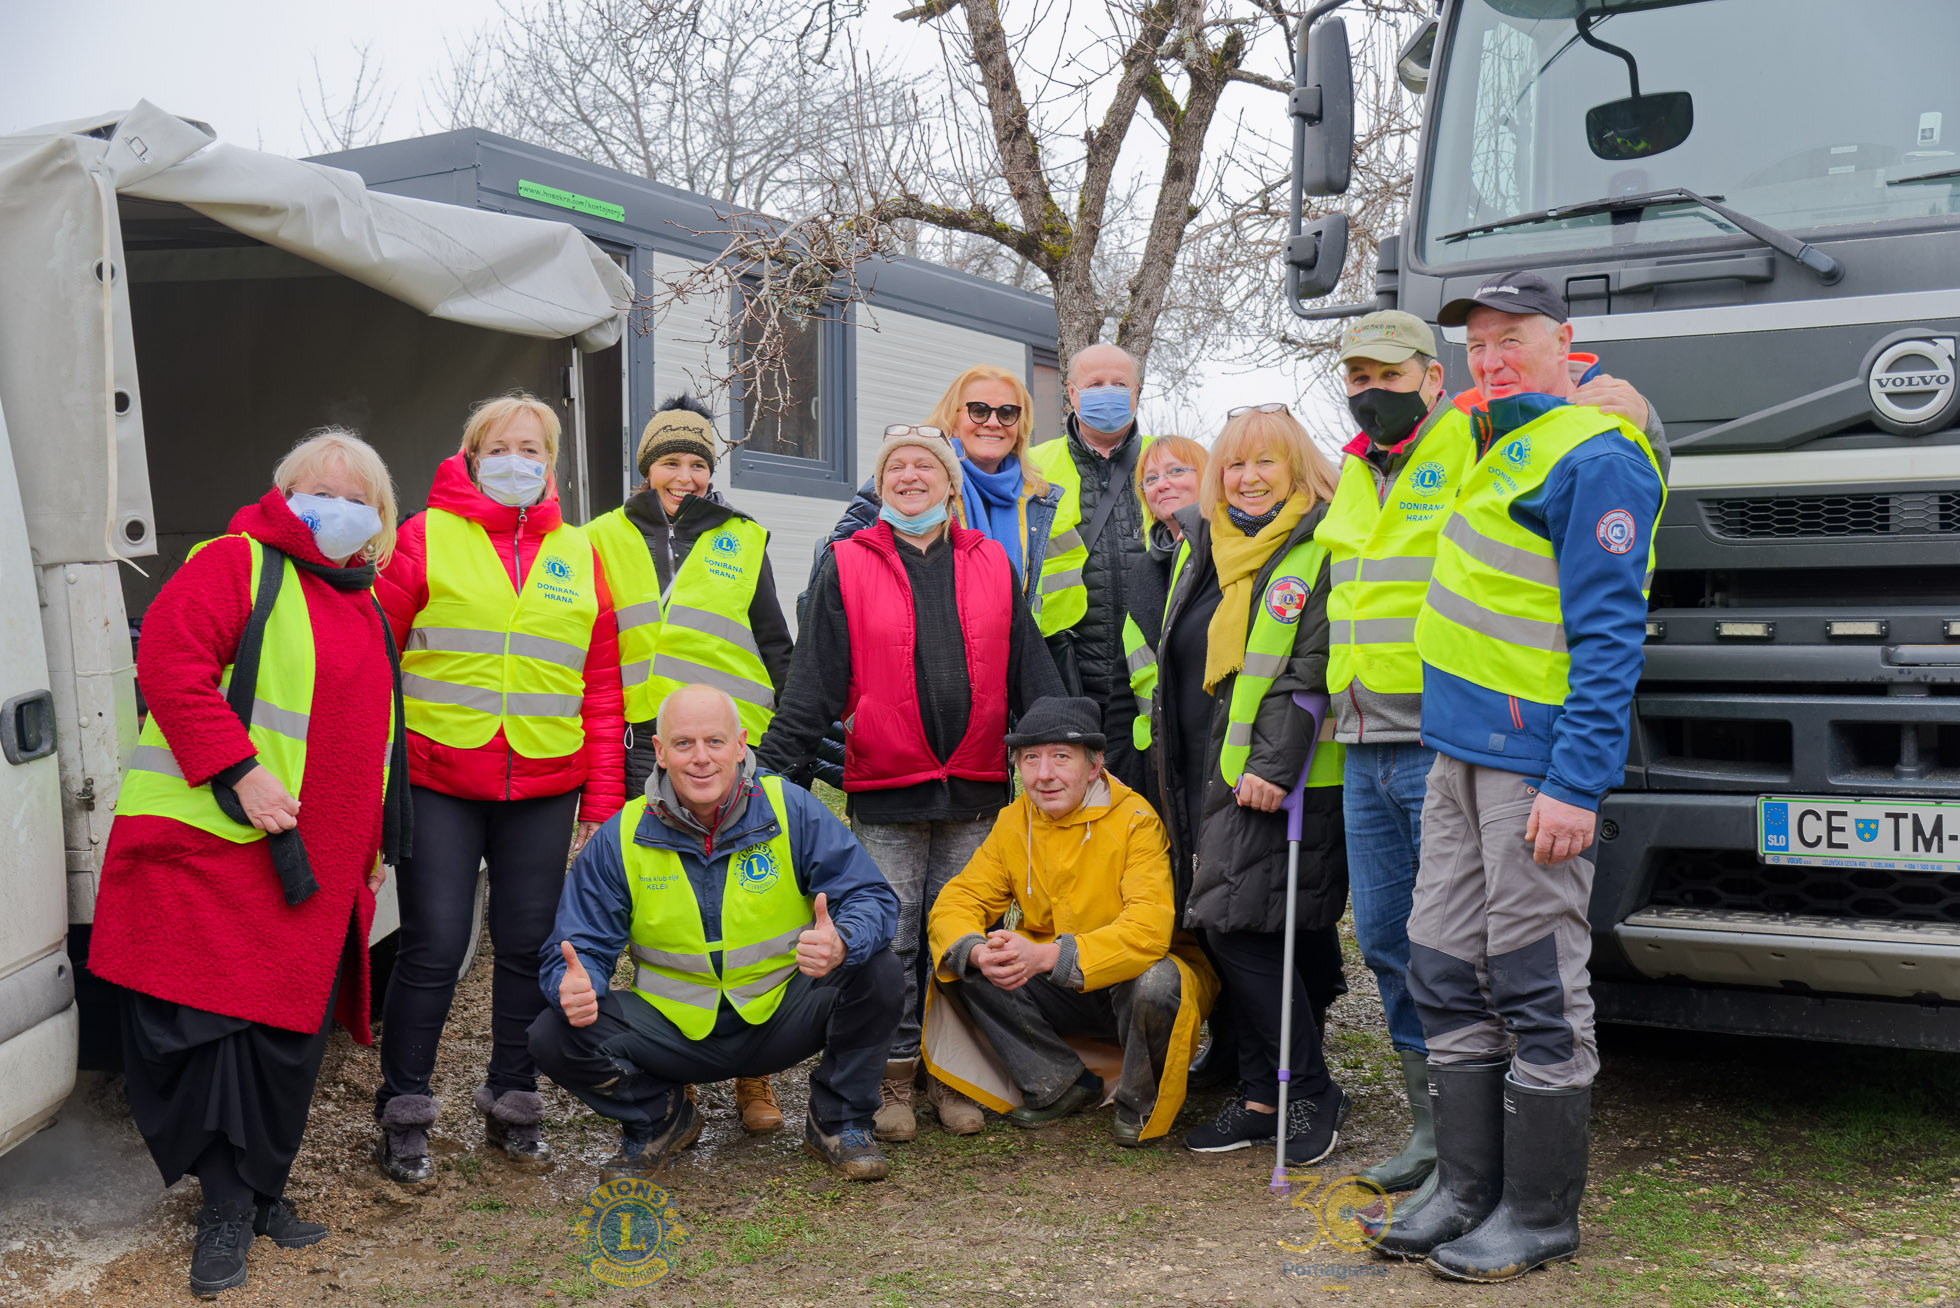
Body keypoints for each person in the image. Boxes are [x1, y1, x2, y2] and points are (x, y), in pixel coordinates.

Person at [1359, 272, 1666, 1281]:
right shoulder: (1491, 438)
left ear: (1563, 342)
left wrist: (1577, 782)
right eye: (1476, 344)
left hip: (1533, 763)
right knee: (1443, 962)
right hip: (1455, 751)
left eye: (1510, 339)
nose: (1489, 357)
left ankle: (1537, 1214)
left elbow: (1611, 635)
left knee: (1535, 978)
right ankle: (1464, 1189)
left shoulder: (1595, 452)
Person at [95, 430, 409, 1298]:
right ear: (285, 494)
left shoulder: (367, 602)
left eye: (359, 497)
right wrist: (238, 769)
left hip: (317, 868)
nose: (338, 507)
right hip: (213, 851)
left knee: (283, 1043)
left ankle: (261, 1192)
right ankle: (225, 1209)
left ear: (379, 519)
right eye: (322, 489)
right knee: (207, 1036)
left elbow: (377, 745)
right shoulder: (233, 563)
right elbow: (167, 662)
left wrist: (377, 850)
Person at [758, 424, 1064, 1142]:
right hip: (887, 789)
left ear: (951, 485)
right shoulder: (847, 561)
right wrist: (773, 779)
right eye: (895, 467)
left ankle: (954, 1076)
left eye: (925, 466)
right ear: (879, 484)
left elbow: (1033, 673)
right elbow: (813, 685)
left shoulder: (992, 561)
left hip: (976, 789)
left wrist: (1065, 747)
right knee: (890, 938)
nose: (909, 476)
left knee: (963, 937)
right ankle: (889, 1082)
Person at [372, 392, 626, 1186]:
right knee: (436, 948)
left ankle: (514, 1098)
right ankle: (404, 1109)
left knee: (527, 948)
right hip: (439, 778)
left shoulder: (582, 552)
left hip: (546, 779)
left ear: (552, 465)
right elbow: (371, 656)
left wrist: (605, 802)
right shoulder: (422, 536)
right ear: (472, 453)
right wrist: (371, 779)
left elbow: (603, 684)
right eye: (502, 446)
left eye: (534, 449)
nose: (518, 460)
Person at [529, 685, 902, 1181]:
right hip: (675, 1034)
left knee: (878, 969)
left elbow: (872, 899)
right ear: (659, 751)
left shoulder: (791, 809)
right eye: (683, 744)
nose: (701, 758)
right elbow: (578, 946)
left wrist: (842, 940)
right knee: (552, 1033)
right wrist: (573, 986)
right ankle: (661, 1119)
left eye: (715, 742)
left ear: (742, 744)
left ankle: (837, 1122)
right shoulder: (620, 837)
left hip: (779, 1015)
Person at [584, 393, 795, 1134]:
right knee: (659, 905)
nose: (686, 475)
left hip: (730, 748)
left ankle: (754, 1076)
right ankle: (678, 1066)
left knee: (740, 902)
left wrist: (778, 741)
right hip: (642, 742)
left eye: (698, 463)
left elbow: (775, 642)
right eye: (671, 461)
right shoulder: (600, 537)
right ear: (647, 470)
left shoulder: (743, 537)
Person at [1150, 404, 1350, 1166]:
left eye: (1265, 461)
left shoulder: (1316, 546)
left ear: (1295, 468)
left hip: (1278, 778)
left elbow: (1309, 671)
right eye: (1234, 464)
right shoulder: (1206, 547)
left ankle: (1310, 1091)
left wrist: (1272, 766)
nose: (1248, 477)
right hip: (1206, 772)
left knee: (1238, 924)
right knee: (1248, 925)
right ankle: (1265, 1093)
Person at [921, 697, 1219, 1144]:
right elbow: (958, 900)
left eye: (1061, 757)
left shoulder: (1137, 820)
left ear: (1094, 767)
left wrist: (1046, 955)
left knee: (1160, 981)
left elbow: (1147, 932)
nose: (1044, 774)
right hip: (1058, 983)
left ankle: (1142, 1101)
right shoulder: (1014, 820)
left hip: (1126, 982)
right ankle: (1059, 1082)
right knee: (961, 961)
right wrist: (980, 951)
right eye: (1031, 759)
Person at [797, 367, 1064, 788]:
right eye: (979, 409)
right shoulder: (910, 479)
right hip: (898, 735)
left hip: (996, 716)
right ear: (953, 416)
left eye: (1007, 412)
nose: (993, 421)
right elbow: (835, 594)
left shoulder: (1038, 501)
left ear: (1021, 426)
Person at [1028, 344, 1154, 794]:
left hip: (1149, 675)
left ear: (1137, 391)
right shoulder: (1034, 467)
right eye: (1095, 384)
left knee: (1147, 814)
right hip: (1065, 671)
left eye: (1119, 384)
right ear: (1071, 392)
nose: (1108, 393)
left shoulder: (1168, 464)